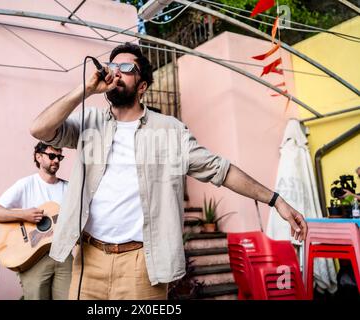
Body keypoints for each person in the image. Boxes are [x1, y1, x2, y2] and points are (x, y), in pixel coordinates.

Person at [30, 42, 308, 300]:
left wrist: (276, 200)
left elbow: (221, 170)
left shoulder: (169, 131)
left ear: (143, 86)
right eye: (112, 66)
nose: (115, 73)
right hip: (88, 260)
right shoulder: (88, 122)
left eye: (126, 68)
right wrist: (86, 90)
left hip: (141, 264)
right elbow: (39, 129)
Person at [0, 142, 72, 300]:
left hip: (63, 255)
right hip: (33, 257)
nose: (57, 161)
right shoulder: (26, 184)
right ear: (38, 157)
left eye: (59, 157)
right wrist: (24, 215)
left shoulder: (69, 188)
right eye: (52, 156)